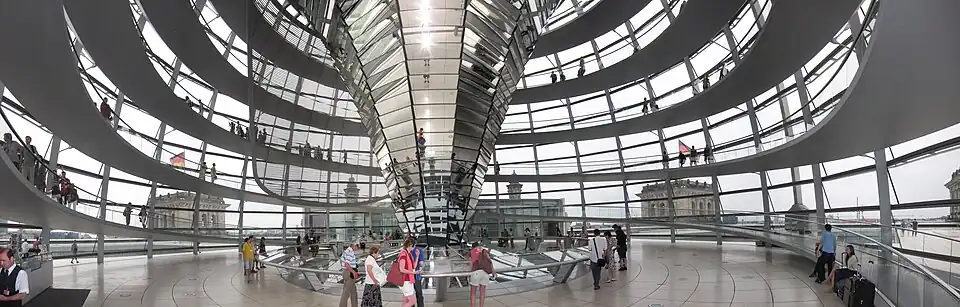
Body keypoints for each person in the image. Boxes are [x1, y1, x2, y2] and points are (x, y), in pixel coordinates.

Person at [469, 242, 495, 307]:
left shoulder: (471, 252)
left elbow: (471, 263)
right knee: (482, 292)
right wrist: (493, 271)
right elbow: (490, 261)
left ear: (473, 247)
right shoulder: (484, 251)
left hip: (476, 272)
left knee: (473, 293)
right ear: (478, 246)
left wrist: (469, 271)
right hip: (485, 273)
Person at [396, 238, 420, 307]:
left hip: (409, 280)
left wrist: (417, 256)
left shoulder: (409, 254)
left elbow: (414, 266)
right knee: (412, 301)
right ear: (410, 245)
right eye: (414, 245)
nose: (415, 247)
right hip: (405, 280)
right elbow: (401, 269)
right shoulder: (403, 254)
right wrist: (413, 273)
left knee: (406, 300)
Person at [339, 243, 360, 307]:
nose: (358, 248)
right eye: (357, 246)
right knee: (346, 292)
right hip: (349, 273)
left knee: (353, 292)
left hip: (347, 273)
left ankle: (355, 305)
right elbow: (347, 265)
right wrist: (353, 272)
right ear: (353, 246)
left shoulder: (346, 251)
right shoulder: (350, 252)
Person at [411, 239, 425, 307]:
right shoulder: (419, 250)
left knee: (410, 294)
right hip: (416, 275)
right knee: (419, 293)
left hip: (409, 276)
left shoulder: (405, 251)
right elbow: (421, 263)